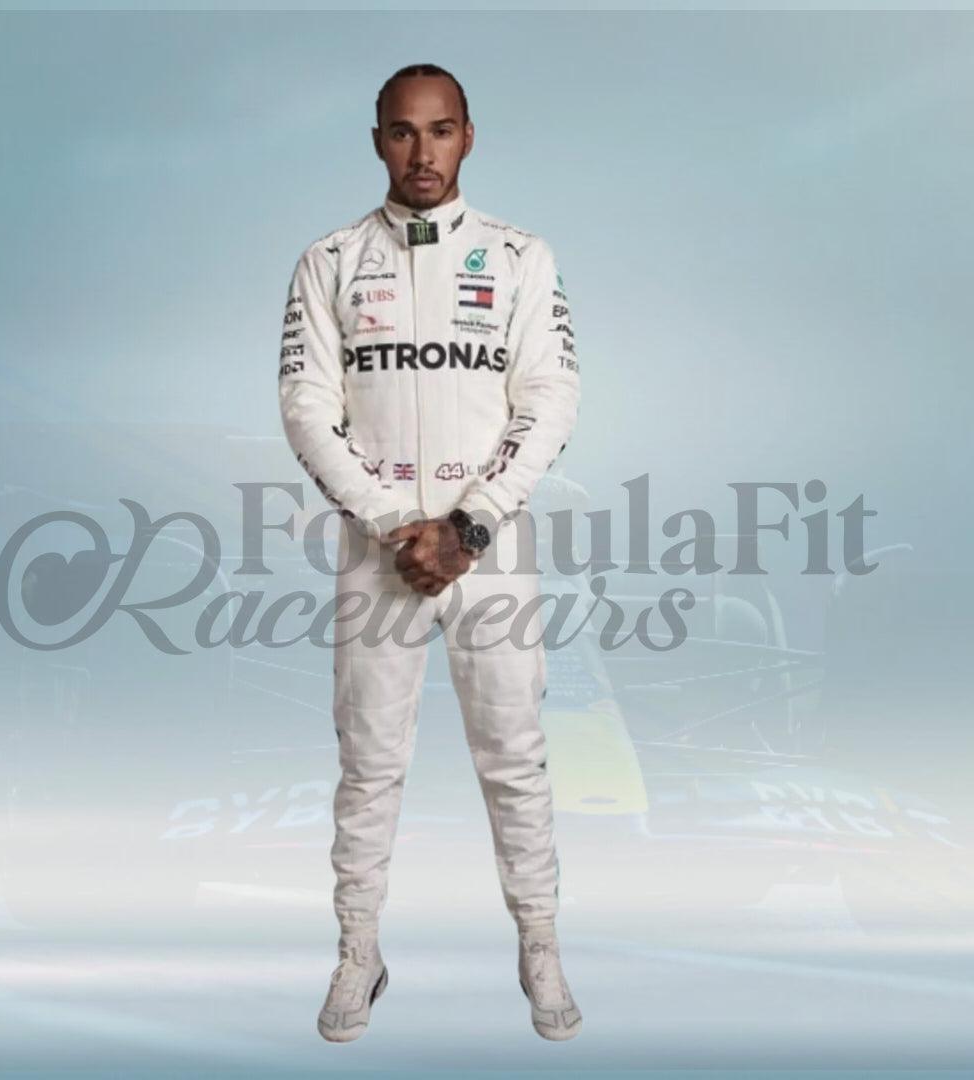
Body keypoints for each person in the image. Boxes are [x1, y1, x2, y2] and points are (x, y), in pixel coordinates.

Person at [277, 62, 583, 1043]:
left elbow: (551, 401)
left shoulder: (521, 257)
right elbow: (306, 409)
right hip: (381, 550)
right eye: (403, 132)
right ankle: (358, 951)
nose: (422, 151)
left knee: (515, 757)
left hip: (487, 547)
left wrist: (469, 525)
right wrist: (389, 523)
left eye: (440, 130)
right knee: (368, 763)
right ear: (378, 140)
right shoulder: (329, 261)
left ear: (468, 136)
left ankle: (541, 943)